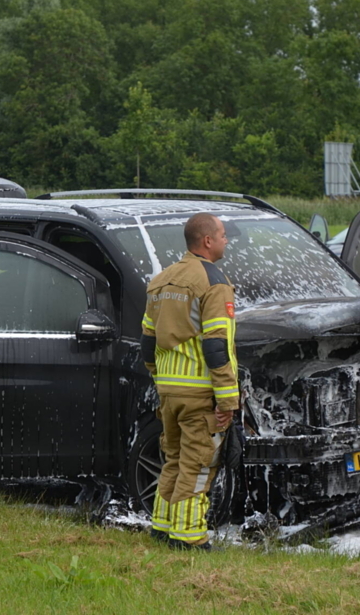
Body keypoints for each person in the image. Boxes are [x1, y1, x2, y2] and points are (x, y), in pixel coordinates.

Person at [141, 212, 239, 551]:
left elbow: (147, 341)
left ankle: (162, 527)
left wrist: (160, 377)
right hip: (199, 393)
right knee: (198, 465)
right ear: (208, 241)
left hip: (168, 391)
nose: (227, 241)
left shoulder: (161, 280)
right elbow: (216, 345)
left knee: (174, 459)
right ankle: (189, 538)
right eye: (224, 235)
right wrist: (227, 400)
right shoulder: (213, 282)